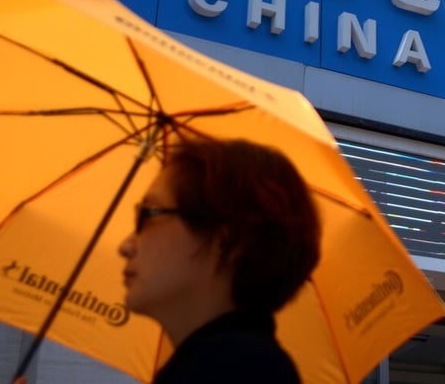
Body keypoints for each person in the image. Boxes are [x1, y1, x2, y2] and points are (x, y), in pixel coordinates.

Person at [118, 137, 321, 384]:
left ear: (228, 241)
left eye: (148, 214)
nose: (125, 247)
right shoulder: (218, 362)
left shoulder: (240, 369)